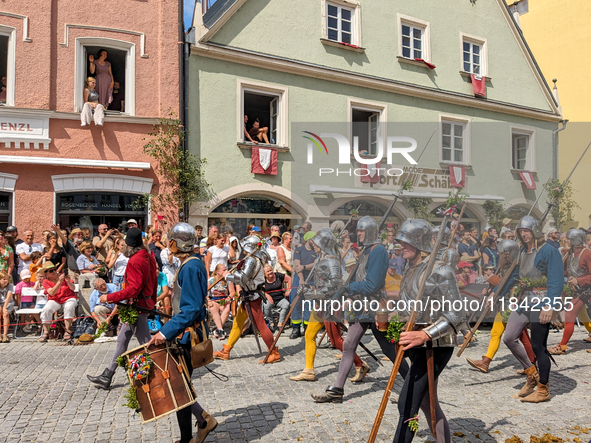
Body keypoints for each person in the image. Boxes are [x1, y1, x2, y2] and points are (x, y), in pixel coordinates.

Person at [146, 223, 218, 443]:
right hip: (183, 332)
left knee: (180, 390)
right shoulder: (189, 263)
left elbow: (191, 308)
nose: (168, 245)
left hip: (187, 336)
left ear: (176, 243)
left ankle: (189, 436)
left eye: (171, 241)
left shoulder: (191, 266)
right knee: (181, 387)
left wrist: (165, 332)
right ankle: (203, 422)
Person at [311, 217, 389, 403]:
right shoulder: (366, 251)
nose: (358, 234)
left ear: (370, 232)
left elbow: (371, 285)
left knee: (389, 350)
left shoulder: (378, 250)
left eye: (362, 231)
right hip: (361, 306)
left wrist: (348, 289)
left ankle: (412, 381)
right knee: (348, 345)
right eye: (358, 231)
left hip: (374, 307)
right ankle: (337, 389)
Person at [499, 215, 563, 402]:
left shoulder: (549, 251)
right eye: (521, 231)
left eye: (526, 231)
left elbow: (556, 281)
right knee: (509, 337)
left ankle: (543, 389)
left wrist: (549, 306)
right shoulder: (521, 251)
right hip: (525, 301)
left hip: (542, 302)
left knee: (538, 346)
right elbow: (513, 277)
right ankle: (532, 373)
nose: (524, 234)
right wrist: (496, 292)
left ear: (534, 230)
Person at [291, 229, 367, 383]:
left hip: (330, 304)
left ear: (323, 244)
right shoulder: (321, 259)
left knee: (336, 340)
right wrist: (309, 289)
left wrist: (312, 294)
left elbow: (334, 285)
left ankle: (360, 364)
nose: (313, 245)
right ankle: (308, 370)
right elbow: (321, 283)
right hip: (320, 304)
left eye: (317, 243)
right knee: (309, 334)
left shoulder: (331, 261)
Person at [87, 228, 157, 390]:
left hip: (136, 306)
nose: (122, 247)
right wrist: (151, 303)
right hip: (142, 304)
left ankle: (161, 372)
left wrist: (109, 297)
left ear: (130, 246)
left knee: (146, 344)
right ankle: (107, 375)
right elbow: (152, 283)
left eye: (124, 244)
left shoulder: (134, 261)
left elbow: (133, 289)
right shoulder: (149, 258)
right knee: (123, 339)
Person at [466, 240, 537, 374]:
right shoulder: (504, 266)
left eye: (501, 252)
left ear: (508, 253)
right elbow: (501, 283)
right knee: (496, 333)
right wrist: (492, 290)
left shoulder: (518, 267)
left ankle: (532, 365)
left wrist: (492, 281)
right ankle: (486, 361)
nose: (498, 253)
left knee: (522, 336)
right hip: (504, 305)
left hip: (514, 304)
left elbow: (508, 283)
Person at [213, 236, 280, 363]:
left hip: (252, 297)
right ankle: (226, 350)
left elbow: (242, 279)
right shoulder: (258, 258)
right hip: (248, 296)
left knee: (261, 326)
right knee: (237, 323)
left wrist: (227, 276)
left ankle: (274, 352)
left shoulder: (252, 260)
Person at [548, 229, 591, 354]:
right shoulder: (570, 254)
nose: (566, 241)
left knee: (569, 316)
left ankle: (562, 346)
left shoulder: (587, 253)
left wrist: (579, 280)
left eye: (568, 239)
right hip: (578, 291)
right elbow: (566, 271)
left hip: (586, 290)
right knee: (579, 315)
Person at [39, 262, 78, 342]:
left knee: (69, 307)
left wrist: (68, 281)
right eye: (50, 271)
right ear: (46, 273)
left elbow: (73, 288)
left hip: (68, 298)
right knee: (46, 309)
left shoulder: (63, 276)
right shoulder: (46, 281)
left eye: (54, 269)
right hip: (55, 299)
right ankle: (46, 331)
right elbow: (52, 292)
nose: (54, 272)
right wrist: (59, 282)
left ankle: (67, 330)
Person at [290, 231, 318, 339]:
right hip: (299, 278)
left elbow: (316, 264)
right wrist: (301, 279)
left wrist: (305, 267)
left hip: (311, 279)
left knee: (309, 304)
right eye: (313, 239)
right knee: (296, 302)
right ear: (308, 239)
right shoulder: (299, 250)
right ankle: (296, 328)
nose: (315, 241)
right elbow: (298, 266)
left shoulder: (316, 251)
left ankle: (307, 327)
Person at [207, 263, 234, 339]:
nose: (226, 271)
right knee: (213, 308)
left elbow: (232, 292)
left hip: (223, 299)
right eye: (224, 270)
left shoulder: (227, 279)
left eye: (226, 269)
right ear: (217, 272)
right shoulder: (212, 280)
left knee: (227, 308)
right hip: (214, 299)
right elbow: (204, 291)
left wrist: (229, 297)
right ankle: (220, 330)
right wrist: (208, 300)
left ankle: (218, 329)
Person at [262, 264, 291, 332]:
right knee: (266, 306)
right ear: (264, 274)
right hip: (269, 299)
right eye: (268, 271)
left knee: (286, 305)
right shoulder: (263, 280)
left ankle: (280, 324)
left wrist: (288, 290)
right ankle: (271, 323)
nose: (270, 272)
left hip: (280, 298)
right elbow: (260, 290)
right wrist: (267, 295)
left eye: (270, 270)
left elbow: (289, 279)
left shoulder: (278, 276)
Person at [0, 271, 14, 342]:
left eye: (7, 279)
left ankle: (5, 334)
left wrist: (4, 308)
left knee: (5, 314)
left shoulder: (10, 286)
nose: (6, 281)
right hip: (0, 303)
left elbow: (8, 298)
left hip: (8, 303)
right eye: (4, 279)